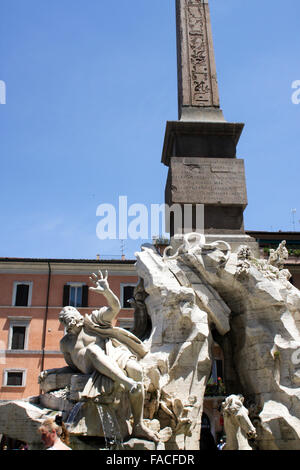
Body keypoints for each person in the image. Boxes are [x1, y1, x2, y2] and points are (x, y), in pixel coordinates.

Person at [39, 270, 158, 443]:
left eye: (72, 316)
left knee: (136, 370)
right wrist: (52, 371)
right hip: (91, 368)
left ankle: (138, 424)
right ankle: (127, 383)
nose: (70, 320)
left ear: (79, 316)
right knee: (93, 351)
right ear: (64, 324)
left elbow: (114, 308)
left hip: (115, 356)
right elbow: (71, 368)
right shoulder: (66, 343)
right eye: (66, 320)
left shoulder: (94, 322)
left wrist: (107, 292)